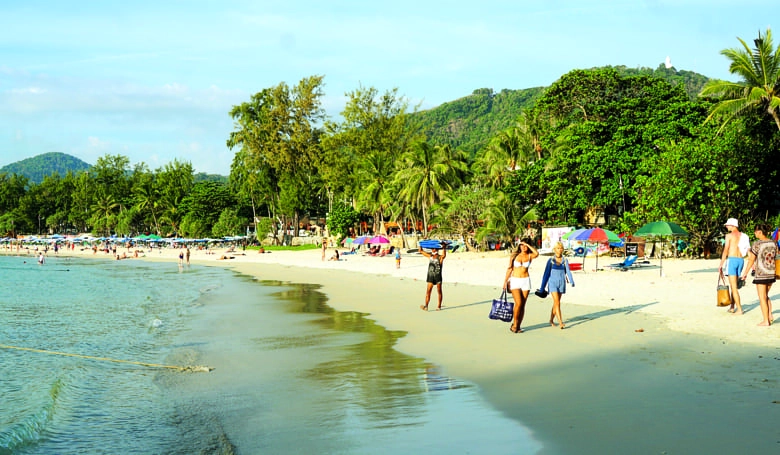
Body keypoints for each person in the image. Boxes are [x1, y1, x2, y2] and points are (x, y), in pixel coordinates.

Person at [740, 223, 776, 326]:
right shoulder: (773, 242)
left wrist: (745, 273)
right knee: (766, 295)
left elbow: (751, 259)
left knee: (762, 297)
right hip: (771, 272)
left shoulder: (757, 244)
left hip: (761, 273)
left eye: (755, 232)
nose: (754, 234)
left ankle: (766, 320)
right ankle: (769, 315)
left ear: (759, 232)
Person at [503, 238, 539, 333]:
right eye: (521, 245)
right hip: (515, 280)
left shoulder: (530, 256)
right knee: (518, 303)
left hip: (526, 281)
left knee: (522, 305)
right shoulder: (514, 256)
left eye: (525, 245)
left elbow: (537, 253)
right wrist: (505, 282)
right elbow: (509, 269)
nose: (523, 247)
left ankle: (518, 326)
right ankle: (514, 324)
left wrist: (528, 244)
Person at [539, 242, 575, 329]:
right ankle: (560, 322)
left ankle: (551, 320)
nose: (560, 250)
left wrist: (571, 281)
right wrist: (542, 287)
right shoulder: (551, 260)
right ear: (554, 249)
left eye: (561, 248)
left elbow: (568, 271)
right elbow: (546, 274)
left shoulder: (565, 260)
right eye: (558, 248)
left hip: (561, 283)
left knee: (556, 303)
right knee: (557, 302)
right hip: (552, 283)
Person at [719, 218, 745, 314]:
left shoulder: (729, 236)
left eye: (728, 225)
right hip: (741, 260)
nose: (726, 226)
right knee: (733, 285)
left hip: (732, 259)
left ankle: (739, 309)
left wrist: (721, 263)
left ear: (733, 225)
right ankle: (732, 306)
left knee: (733, 287)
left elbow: (726, 250)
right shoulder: (744, 236)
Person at [420, 242, 448, 311]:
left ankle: (439, 306)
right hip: (430, 276)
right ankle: (426, 306)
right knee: (428, 292)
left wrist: (444, 247)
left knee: (439, 291)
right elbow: (421, 251)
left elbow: (444, 256)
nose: (433, 250)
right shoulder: (430, 256)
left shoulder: (440, 257)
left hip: (438, 276)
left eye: (434, 249)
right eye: (432, 248)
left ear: (437, 249)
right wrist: (420, 244)